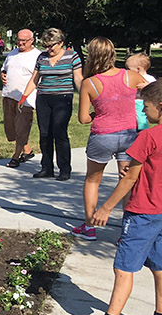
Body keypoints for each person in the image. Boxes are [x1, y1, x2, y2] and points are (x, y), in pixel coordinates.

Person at [70, 81, 162, 315]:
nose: (143, 113)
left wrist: (106, 207)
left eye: (146, 107)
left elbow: (129, 178)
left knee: (124, 267)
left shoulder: (148, 137)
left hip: (143, 211)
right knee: (160, 265)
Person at [71, 37, 149, 241]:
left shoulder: (90, 83)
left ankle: (89, 225)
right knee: (127, 180)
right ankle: (126, 230)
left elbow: (83, 118)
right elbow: (149, 88)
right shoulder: (130, 76)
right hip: (129, 134)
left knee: (92, 180)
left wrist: (99, 114)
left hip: (102, 135)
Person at [20, 28, 83, 180]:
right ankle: (47, 167)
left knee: (59, 132)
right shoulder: (42, 57)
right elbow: (35, 79)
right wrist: (24, 97)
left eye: (51, 46)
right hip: (43, 98)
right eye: (46, 46)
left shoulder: (72, 56)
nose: (48, 49)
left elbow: (78, 79)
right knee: (45, 133)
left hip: (63, 98)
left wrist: (85, 97)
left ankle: (64, 169)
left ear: (61, 43)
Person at [0, 29, 41, 167]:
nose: (21, 43)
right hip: (8, 95)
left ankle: (16, 157)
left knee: (22, 128)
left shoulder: (38, 56)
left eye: (24, 41)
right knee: (11, 128)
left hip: (26, 99)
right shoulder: (12, 53)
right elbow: (4, 68)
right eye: (18, 40)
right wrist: (2, 74)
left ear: (32, 41)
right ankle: (27, 150)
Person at [126, 53, 157, 131]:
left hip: (141, 102)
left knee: (141, 117)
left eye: (129, 69)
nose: (128, 72)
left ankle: (143, 130)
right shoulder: (131, 78)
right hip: (132, 102)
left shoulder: (149, 78)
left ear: (139, 69)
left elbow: (155, 89)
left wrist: (147, 86)